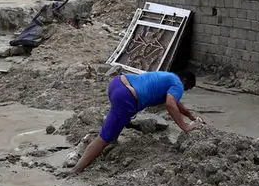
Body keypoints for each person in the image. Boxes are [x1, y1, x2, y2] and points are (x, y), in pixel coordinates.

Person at [70, 69, 202, 174]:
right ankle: (76, 170)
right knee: (103, 138)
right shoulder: (178, 84)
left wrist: (189, 115)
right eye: (187, 88)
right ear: (185, 81)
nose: (185, 91)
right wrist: (184, 126)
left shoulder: (169, 77)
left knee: (120, 118)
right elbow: (170, 104)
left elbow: (176, 103)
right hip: (126, 97)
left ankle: (113, 139)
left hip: (118, 83)